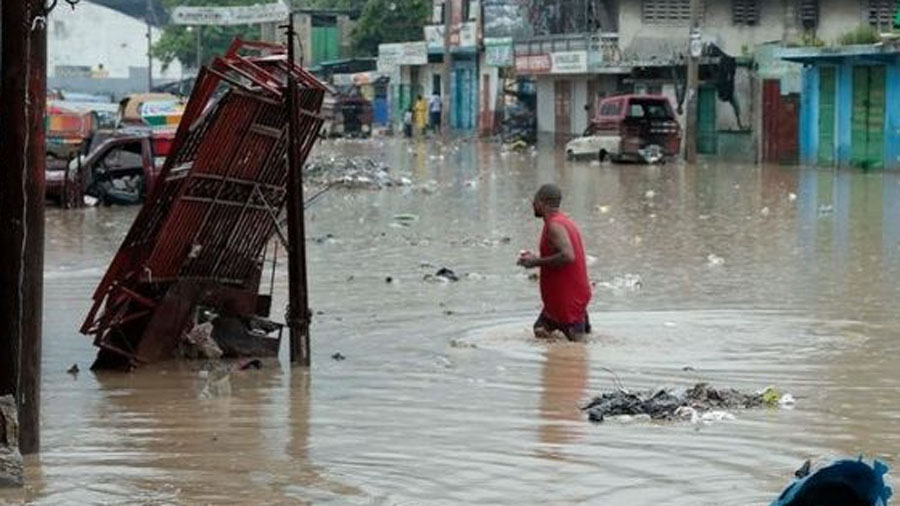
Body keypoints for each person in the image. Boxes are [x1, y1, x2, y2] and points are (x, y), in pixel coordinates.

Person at [517, 184, 592, 341]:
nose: (532, 205)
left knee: (578, 349)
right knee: (540, 330)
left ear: (542, 202)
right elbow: (560, 253)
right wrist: (535, 258)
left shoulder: (554, 226)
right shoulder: (563, 222)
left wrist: (535, 262)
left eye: (535, 201)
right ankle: (556, 360)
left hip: (567, 300)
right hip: (559, 301)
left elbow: (568, 255)